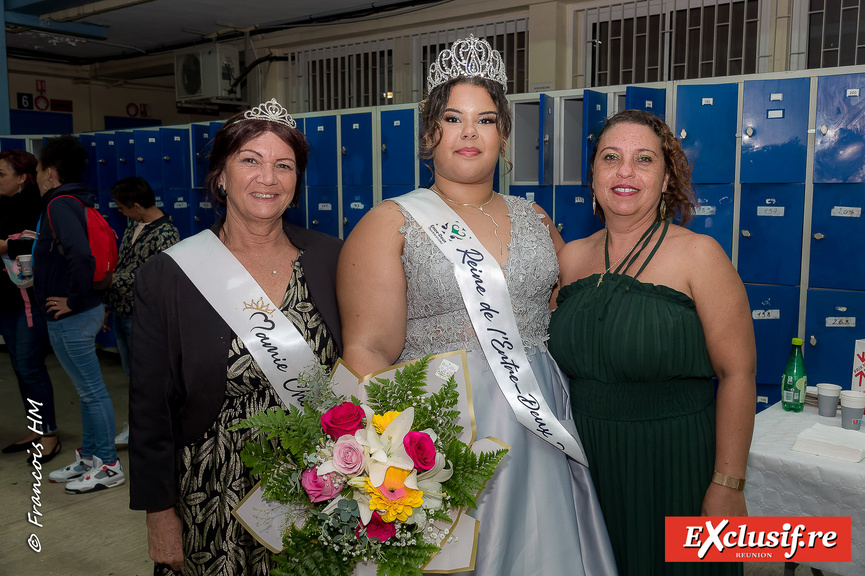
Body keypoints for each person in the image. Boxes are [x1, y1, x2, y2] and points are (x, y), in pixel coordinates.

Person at [338, 36, 616, 576]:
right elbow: (367, 350)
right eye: (453, 118)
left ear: (504, 134)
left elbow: (558, 315)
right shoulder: (389, 222)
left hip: (538, 419)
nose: (470, 133)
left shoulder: (536, 217)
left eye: (486, 119)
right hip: (444, 429)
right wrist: (397, 458)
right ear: (428, 133)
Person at [129, 99, 343, 576]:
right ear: (220, 176)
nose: (268, 178)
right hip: (213, 491)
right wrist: (159, 515)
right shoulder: (169, 276)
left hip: (322, 482)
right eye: (250, 160)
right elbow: (149, 409)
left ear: (296, 181)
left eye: (283, 165)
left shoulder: (333, 260)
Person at [548, 109, 756, 575]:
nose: (625, 172)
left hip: (677, 464)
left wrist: (728, 483)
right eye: (610, 158)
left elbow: (737, 373)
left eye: (644, 159)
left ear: (666, 179)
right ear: (594, 176)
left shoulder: (700, 256)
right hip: (588, 468)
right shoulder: (571, 259)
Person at [34, 136, 123, 494]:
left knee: (92, 392)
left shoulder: (58, 204)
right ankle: (90, 458)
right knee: (86, 391)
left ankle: (109, 466)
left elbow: (81, 257)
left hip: (73, 315)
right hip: (83, 310)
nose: (38, 176)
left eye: (39, 169)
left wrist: (73, 299)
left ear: (51, 173)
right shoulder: (74, 201)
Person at [103, 176, 180, 446]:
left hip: (142, 316)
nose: (120, 212)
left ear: (136, 205)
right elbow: (124, 262)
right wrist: (108, 304)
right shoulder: (133, 224)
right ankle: (137, 423)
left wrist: (113, 280)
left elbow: (155, 278)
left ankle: (149, 428)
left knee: (147, 377)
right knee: (132, 375)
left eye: (122, 208)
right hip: (122, 310)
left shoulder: (166, 234)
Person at [0, 149, 61, 462]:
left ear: (22, 178)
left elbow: (40, 243)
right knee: (19, 367)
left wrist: (6, 244)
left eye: (1, 174)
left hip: (29, 300)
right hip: (6, 301)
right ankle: (36, 428)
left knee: (30, 366)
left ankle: (49, 433)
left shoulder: (36, 206)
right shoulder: (3, 204)